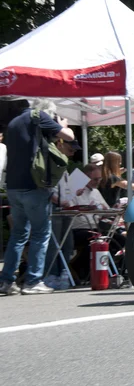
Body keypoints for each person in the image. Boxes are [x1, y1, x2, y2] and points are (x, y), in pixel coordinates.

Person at [0, 99, 75, 295]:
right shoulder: (38, 116)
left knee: (18, 235)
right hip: (34, 186)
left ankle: (6, 281)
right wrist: (62, 125)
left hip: (14, 187)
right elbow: (68, 136)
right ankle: (33, 281)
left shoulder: (13, 123)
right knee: (41, 234)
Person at [44, 139, 83, 290]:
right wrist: (58, 201)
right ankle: (51, 275)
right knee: (54, 245)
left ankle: (63, 273)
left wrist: (74, 193)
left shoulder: (64, 165)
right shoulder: (51, 161)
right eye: (70, 149)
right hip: (55, 207)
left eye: (74, 150)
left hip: (65, 208)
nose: (72, 153)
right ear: (60, 144)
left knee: (67, 244)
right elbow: (48, 187)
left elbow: (65, 188)